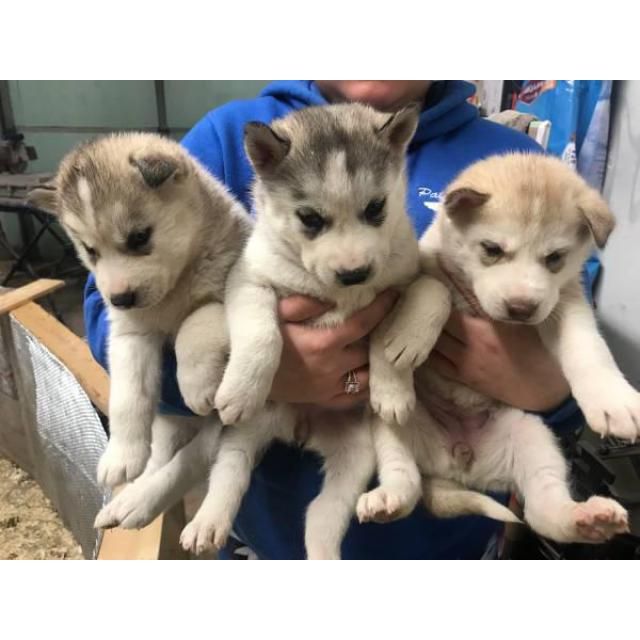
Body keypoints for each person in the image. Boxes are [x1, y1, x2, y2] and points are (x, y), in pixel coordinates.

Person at [85, 80, 594, 559]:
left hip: (448, 546)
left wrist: (554, 392)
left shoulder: (514, 162)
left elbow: (574, 312)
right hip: (264, 541)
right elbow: (113, 317)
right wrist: (254, 370)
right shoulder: (227, 133)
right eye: (313, 219)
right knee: (241, 452)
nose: (352, 259)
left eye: (375, 212)